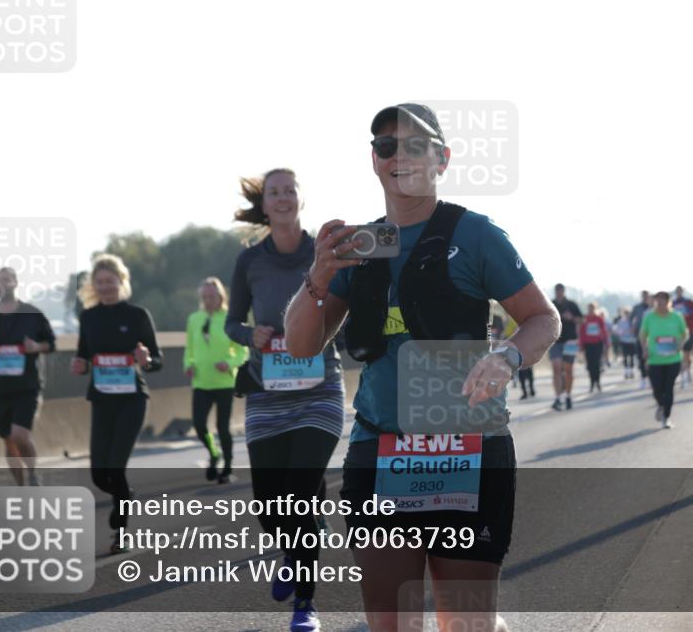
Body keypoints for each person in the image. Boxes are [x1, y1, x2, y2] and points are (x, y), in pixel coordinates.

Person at [283, 103, 559, 632]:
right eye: (387, 147)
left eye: (415, 145)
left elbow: (542, 319)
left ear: (442, 159)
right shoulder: (360, 244)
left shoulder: (476, 235)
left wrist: (506, 356)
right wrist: (317, 275)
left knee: (465, 625)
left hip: (467, 449)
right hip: (381, 449)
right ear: (374, 161)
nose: (400, 156)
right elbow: (300, 346)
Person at [225, 170, 346, 631]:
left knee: (299, 492)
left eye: (289, 191)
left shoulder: (325, 251)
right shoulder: (249, 261)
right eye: (274, 192)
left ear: (300, 199)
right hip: (267, 394)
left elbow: (347, 308)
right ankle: (300, 543)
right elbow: (231, 322)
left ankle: (305, 604)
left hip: (320, 391)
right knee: (269, 505)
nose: (282, 198)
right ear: (265, 204)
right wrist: (249, 333)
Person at [71, 254, 162, 554]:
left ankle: (120, 532)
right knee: (99, 473)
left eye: (110, 281)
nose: (105, 287)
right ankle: (124, 495)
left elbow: (156, 361)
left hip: (132, 399)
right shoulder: (89, 317)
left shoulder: (137, 315)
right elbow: (83, 355)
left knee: (116, 466)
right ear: (93, 286)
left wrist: (145, 360)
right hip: (102, 399)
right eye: (100, 282)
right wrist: (79, 365)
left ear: (121, 282)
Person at [0, 267, 56, 486]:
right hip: (0, 389)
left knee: (20, 436)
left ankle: (34, 474)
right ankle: (21, 487)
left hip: (27, 386)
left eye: (7, 279)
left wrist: (36, 346)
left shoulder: (32, 314)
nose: (3, 284)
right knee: (8, 441)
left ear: (16, 283)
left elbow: (51, 344)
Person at [184, 277, 248, 483]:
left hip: (224, 382)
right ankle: (214, 453)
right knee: (199, 425)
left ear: (221, 296)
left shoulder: (230, 318)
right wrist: (188, 365)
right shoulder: (194, 318)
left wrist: (229, 363)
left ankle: (227, 468)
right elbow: (189, 349)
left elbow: (242, 352)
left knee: (222, 427)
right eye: (204, 297)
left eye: (211, 296)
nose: (208, 300)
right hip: (201, 382)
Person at [639, 291, 688, 429]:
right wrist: (644, 349)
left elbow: (685, 333)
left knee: (669, 387)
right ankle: (661, 405)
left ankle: (666, 417)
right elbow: (643, 335)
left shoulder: (676, 317)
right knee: (656, 389)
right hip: (655, 359)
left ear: (668, 302)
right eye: (657, 300)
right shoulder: (649, 317)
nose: (660, 303)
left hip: (673, 359)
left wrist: (681, 344)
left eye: (663, 300)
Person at [549, 283, 582, 410]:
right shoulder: (550, 304)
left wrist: (572, 317)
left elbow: (581, 320)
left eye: (560, 291)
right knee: (556, 368)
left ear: (563, 291)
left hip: (570, 341)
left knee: (568, 370)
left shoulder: (572, 305)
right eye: (557, 291)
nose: (558, 293)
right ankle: (558, 398)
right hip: (555, 341)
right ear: (555, 291)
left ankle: (568, 396)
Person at [671, 286, 693, 389]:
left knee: (687, 354)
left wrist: (686, 317)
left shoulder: (688, 302)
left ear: (682, 291)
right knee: (680, 354)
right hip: (675, 333)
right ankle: (682, 375)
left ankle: (687, 372)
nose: (678, 293)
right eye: (677, 291)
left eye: (680, 291)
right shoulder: (672, 303)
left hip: (687, 331)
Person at [579, 301, 608, 392]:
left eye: (592, 308)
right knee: (590, 365)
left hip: (597, 344)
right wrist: (581, 345)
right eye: (589, 308)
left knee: (597, 363)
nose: (590, 310)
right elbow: (582, 332)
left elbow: (604, 331)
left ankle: (597, 382)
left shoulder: (599, 319)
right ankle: (592, 382)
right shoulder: (585, 319)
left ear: (595, 309)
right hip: (588, 345)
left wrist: (606, 342)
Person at [505, 316, 536, 399]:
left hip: (527, 347)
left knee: (527, 370)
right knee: (523, 370)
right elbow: (507, 335)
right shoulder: (512, 321)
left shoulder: (529, 318)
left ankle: (530, 389)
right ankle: (525, 391)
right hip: (519, 348)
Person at [630, 290, 652, 389]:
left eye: (646, 296)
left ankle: (652, 377)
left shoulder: (654, 308)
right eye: (643, 296)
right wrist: (633, 327)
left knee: (651, 358)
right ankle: (643, 378)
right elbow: (631, 320)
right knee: (641, 358)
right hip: (640, 336)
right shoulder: (637, 307)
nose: (645, 298)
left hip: (653, 336)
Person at [614, 308, 638, 379]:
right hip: (624, 341)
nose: (627, 315)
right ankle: (626, 372)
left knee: (631, 357)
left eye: (628, 313)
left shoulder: (633, 321)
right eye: (626, 313)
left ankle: (631, 371)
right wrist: (624, 332)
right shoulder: (621, 321)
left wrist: (632, 330)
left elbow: (636, 331)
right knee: (625, 357)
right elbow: (618, 331)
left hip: (632, 341)